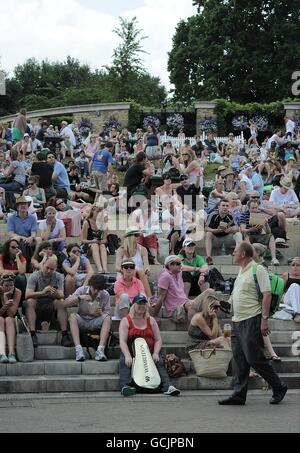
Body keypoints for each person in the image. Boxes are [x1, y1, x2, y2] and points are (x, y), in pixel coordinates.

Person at [218, 242, 287, 406]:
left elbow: (267, 294)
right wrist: (224, 304)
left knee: (254, 358)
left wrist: (264, 320)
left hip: (252, 318)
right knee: (239, 359)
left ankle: (279, 387)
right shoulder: (241, 270)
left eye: (234, 251)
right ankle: (238, 394)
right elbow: (236, 294)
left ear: (242, 254)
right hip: (237, 320)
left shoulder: (259, 269)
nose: (232, 254)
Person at [119, 293, 180, 397]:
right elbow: (122, 341)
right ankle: (126, 386)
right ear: (133, 305)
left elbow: (158, 339)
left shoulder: (150, 320)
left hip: (150, 350)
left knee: (159, 360)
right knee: (124, 360)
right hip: (132, 351)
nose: (141, 306)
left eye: (144, 304)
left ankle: (168, 386)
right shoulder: (126, 321)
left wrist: (156, 353)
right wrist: (128, 355)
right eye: (139, 303)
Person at [24, 258, 72, 348]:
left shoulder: (58, 276)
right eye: (47, 267)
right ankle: (33, 334)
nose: (49, 270)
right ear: (43, 265)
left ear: (56, 269)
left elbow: (61, 295)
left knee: (61, 303)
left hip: (51, 304)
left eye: (52, 269)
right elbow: (27, 295)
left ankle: (65, 335)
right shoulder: (34, 276)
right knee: (29, 302)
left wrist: (56, 293)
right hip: (37, 303)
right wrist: (42, 292)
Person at [64, 274, 112, 362]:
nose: (96, 291)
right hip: (82, 320)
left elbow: (108, 314)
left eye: (99, 290)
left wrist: (101, 312)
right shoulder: (81, 290)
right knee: (72, 317)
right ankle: (78, 350)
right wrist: (79, 297)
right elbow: (65, 303)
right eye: (94, 288)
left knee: (107, 318)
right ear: (90, 285)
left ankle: (100, 350)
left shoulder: (105, 294)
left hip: (96, 321)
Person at [240, 200, 279, 266]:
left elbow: (268, 232)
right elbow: (242, 230)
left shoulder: (260, 215)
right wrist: (251, 229)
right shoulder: (244, 215)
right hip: (249, 235)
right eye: (253, 208)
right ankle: (249, 258)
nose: (255, 210)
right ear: (249, 208)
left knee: (271, 236)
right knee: (246, 235)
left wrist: (266, 224)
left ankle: (274, 258)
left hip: (259, 235)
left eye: (256, 208)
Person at [115, 227, 152, 298]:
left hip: (140, 276)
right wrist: (128, 270)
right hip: (125, 274)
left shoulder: (143, 249)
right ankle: (149, 298)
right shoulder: (121, 250)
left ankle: (149, 299)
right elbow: (117, 267)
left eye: (139, 235)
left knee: (140, 272)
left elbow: (146, 265)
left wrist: (147, 269)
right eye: (136, 235)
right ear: (130, 237)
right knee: (135, 271)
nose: (139, 237)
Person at [7, 196, 41, 271]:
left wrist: (31, 237)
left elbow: (33, 232)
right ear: (17, 207)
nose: (23, 205)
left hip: (29, 239)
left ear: (28, 206)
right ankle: (20, 262)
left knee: (38, 239)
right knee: (15, 238)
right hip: (17, 238)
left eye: (25, 204)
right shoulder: (11, 218)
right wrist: (22, 237)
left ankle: (35, 259)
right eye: (21, 204)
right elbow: (11, 233)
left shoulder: (32, 218)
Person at [205, 199, 242, 265]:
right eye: (223, 205)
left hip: (227, 238)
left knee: (238, 234)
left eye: (227, 206)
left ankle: (236, 251)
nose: (225, 207)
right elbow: (206, 228)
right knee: (208, 234)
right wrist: (215, 230)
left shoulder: (230, 215)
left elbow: (237, 227)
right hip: (216, 238)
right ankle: (209, 257)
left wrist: (230, 229)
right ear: (219, 207)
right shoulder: (213, 214)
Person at [0, 273, 21, 364]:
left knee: (8, 319)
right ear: (1, 285)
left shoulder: (17, 292)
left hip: (13, 320)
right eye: (6, 286)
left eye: (11, 285)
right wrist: (5, 302)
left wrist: (6, 300)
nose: (9, 288)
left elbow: (11, 313)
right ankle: (2, 353)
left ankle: (12, 353)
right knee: (0, 319)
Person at [81, 204, 108, 274]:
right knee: (94, 245)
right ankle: (100, 268)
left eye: (100, 212)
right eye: (97, 211)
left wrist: (100, 241)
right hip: (88, 245)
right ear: (92, 211)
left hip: (99, 244)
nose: (99, 213)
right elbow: (83, 240)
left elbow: (105, 240)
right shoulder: (87, 222)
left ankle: (105, 268)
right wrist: (92, 241)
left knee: (102, 245)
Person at [0, 239, 27, 304]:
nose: (16, 249)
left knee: (21, 278)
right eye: (13, 247)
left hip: (15, 278)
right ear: (7, 248)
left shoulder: (21, 258)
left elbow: (22, 271)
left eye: (17, 247)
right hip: (4, 277)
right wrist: (15, 271)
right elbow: (1, 271)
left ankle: (21, 301)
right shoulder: (1, 257)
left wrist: (17, 257)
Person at [282, 258, 300, 323]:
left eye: (298, 265)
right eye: (293, 265)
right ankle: (297, 314)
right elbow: (282, 290)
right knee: (294, 285)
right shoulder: (286, 275)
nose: (295, 267)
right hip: (289, 299)